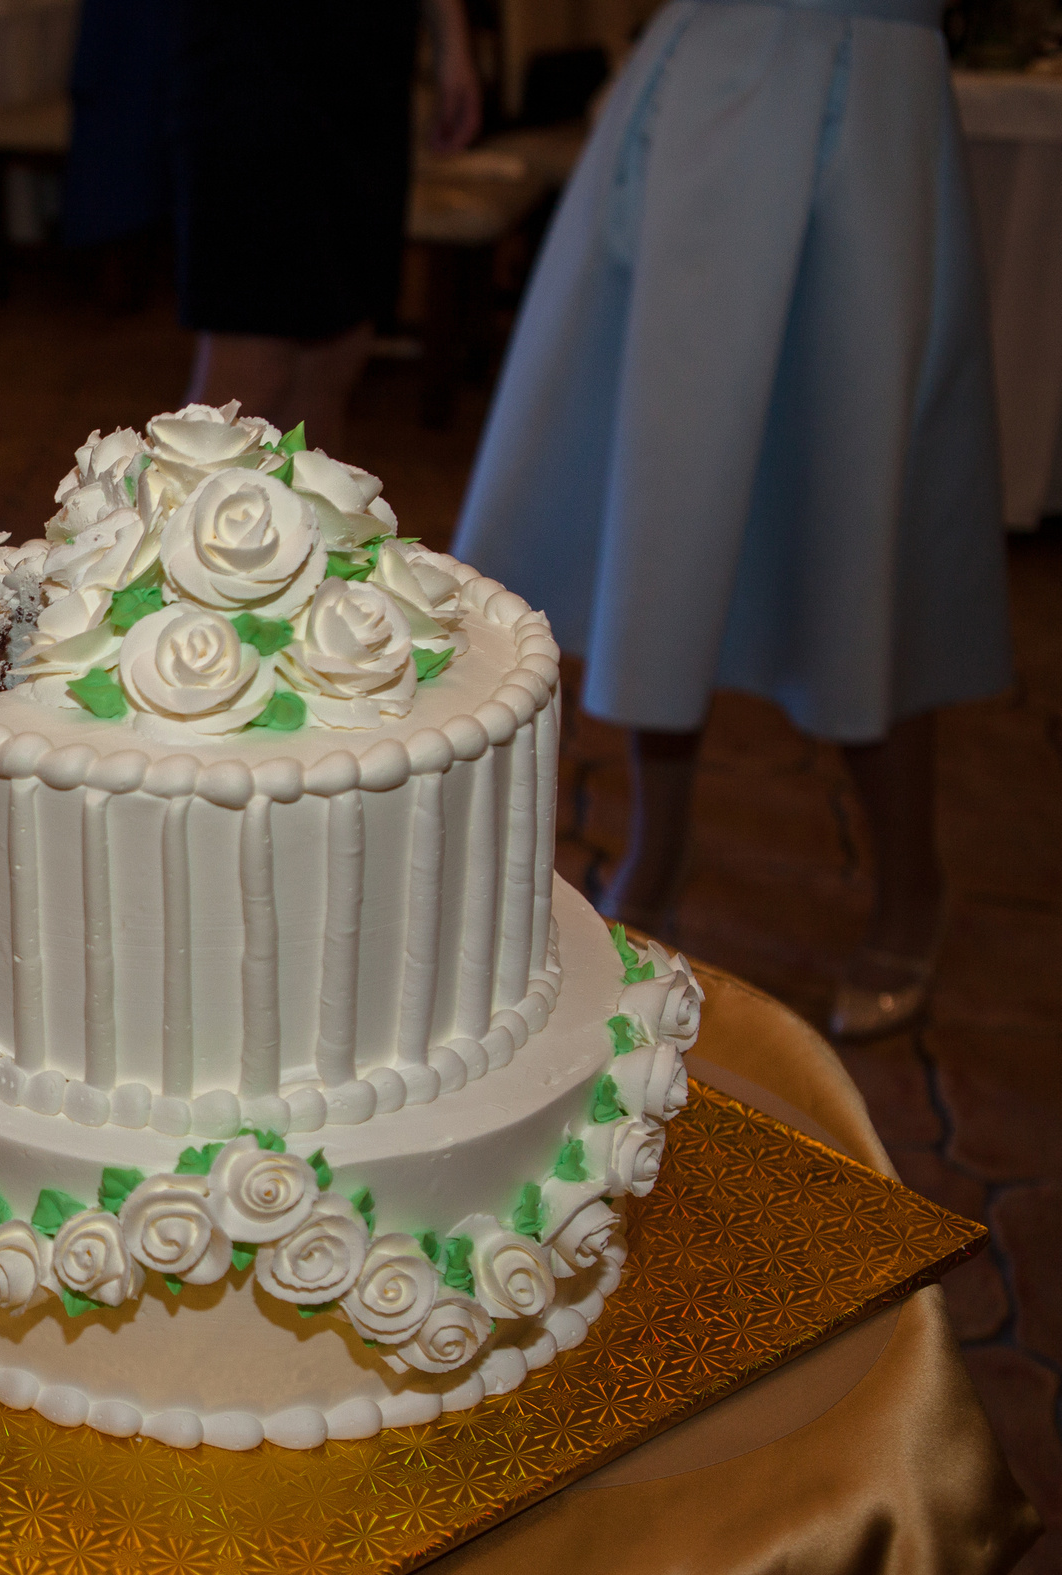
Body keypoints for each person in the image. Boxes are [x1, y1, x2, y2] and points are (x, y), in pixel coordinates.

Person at [452, 0, 1008, 1040]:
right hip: (705, 81)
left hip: (869, 79)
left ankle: (908, 882)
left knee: (861, 499)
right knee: (670, 503)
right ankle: (658, 845)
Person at [175, 0, 480, 448]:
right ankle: (174, 516)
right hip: (252, 48)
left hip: (366, 57)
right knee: (250, 363)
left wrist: (451, 36)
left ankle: (302, 517)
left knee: (334, 357)